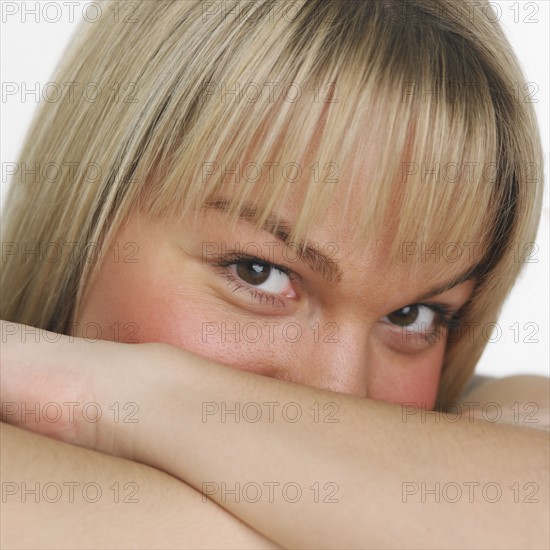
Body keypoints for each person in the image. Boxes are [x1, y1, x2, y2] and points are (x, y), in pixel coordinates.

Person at [1, 0, 548, 548]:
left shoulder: (489, 417)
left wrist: (98, 389)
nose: (340, 395)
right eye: (257, 272)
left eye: (412, 315)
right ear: (88, 213)